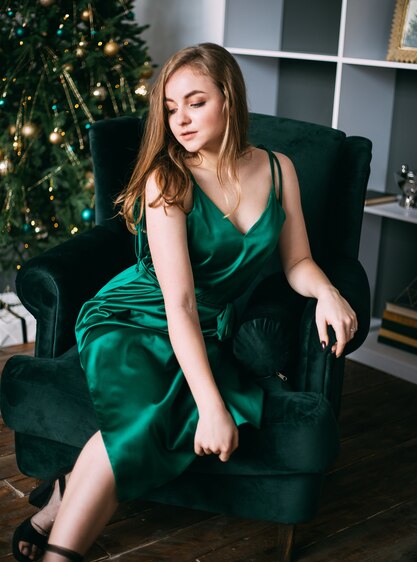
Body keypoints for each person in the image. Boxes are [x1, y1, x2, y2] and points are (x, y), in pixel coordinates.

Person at [13, 42, 357, 562]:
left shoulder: (279, 168)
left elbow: (297, 261)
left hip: (210, 320)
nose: (180, 119)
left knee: (156, 413)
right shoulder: (166, 179)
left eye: (195, 102)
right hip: (134, 315)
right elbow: (178, 304)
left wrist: (328, 291)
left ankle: (62, 498)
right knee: (146, 418)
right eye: (170, 108)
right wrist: (212, 405)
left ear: (228, 97)